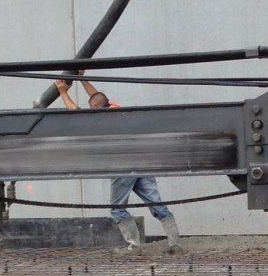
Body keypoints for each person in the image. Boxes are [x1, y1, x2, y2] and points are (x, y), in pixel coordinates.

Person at [60, 82, 182, 251]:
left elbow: (76, 112)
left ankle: (134, 246)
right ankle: (175, 244)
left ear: (95, 108)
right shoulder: (115, 109)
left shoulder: (100, 120)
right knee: (156, 204)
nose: (90, 109)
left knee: (117, 210)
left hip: (122, 165)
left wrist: (62, 92)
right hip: (142, 162)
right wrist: (83, 80)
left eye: (91, 107)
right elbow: (98, 98)